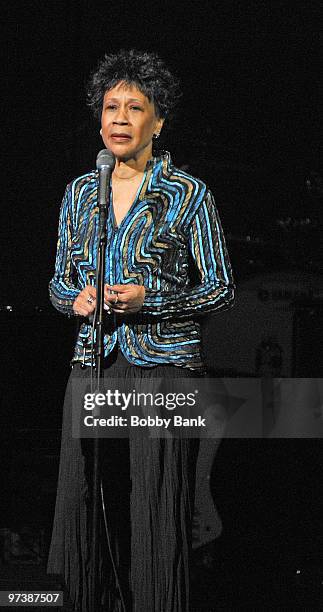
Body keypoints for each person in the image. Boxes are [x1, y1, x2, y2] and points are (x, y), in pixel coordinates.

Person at [47, 49, 235, 612]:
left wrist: (150, 300)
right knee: (78, 501)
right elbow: (57, 282)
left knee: (158, 507)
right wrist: (74, 300)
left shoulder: (188, 194)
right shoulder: (81, 191)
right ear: (98, 118)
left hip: (165, 366)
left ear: (159, 121)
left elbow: (221, 287)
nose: (120, 119)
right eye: (111, 108)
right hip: (94, 362)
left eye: (136, 107)